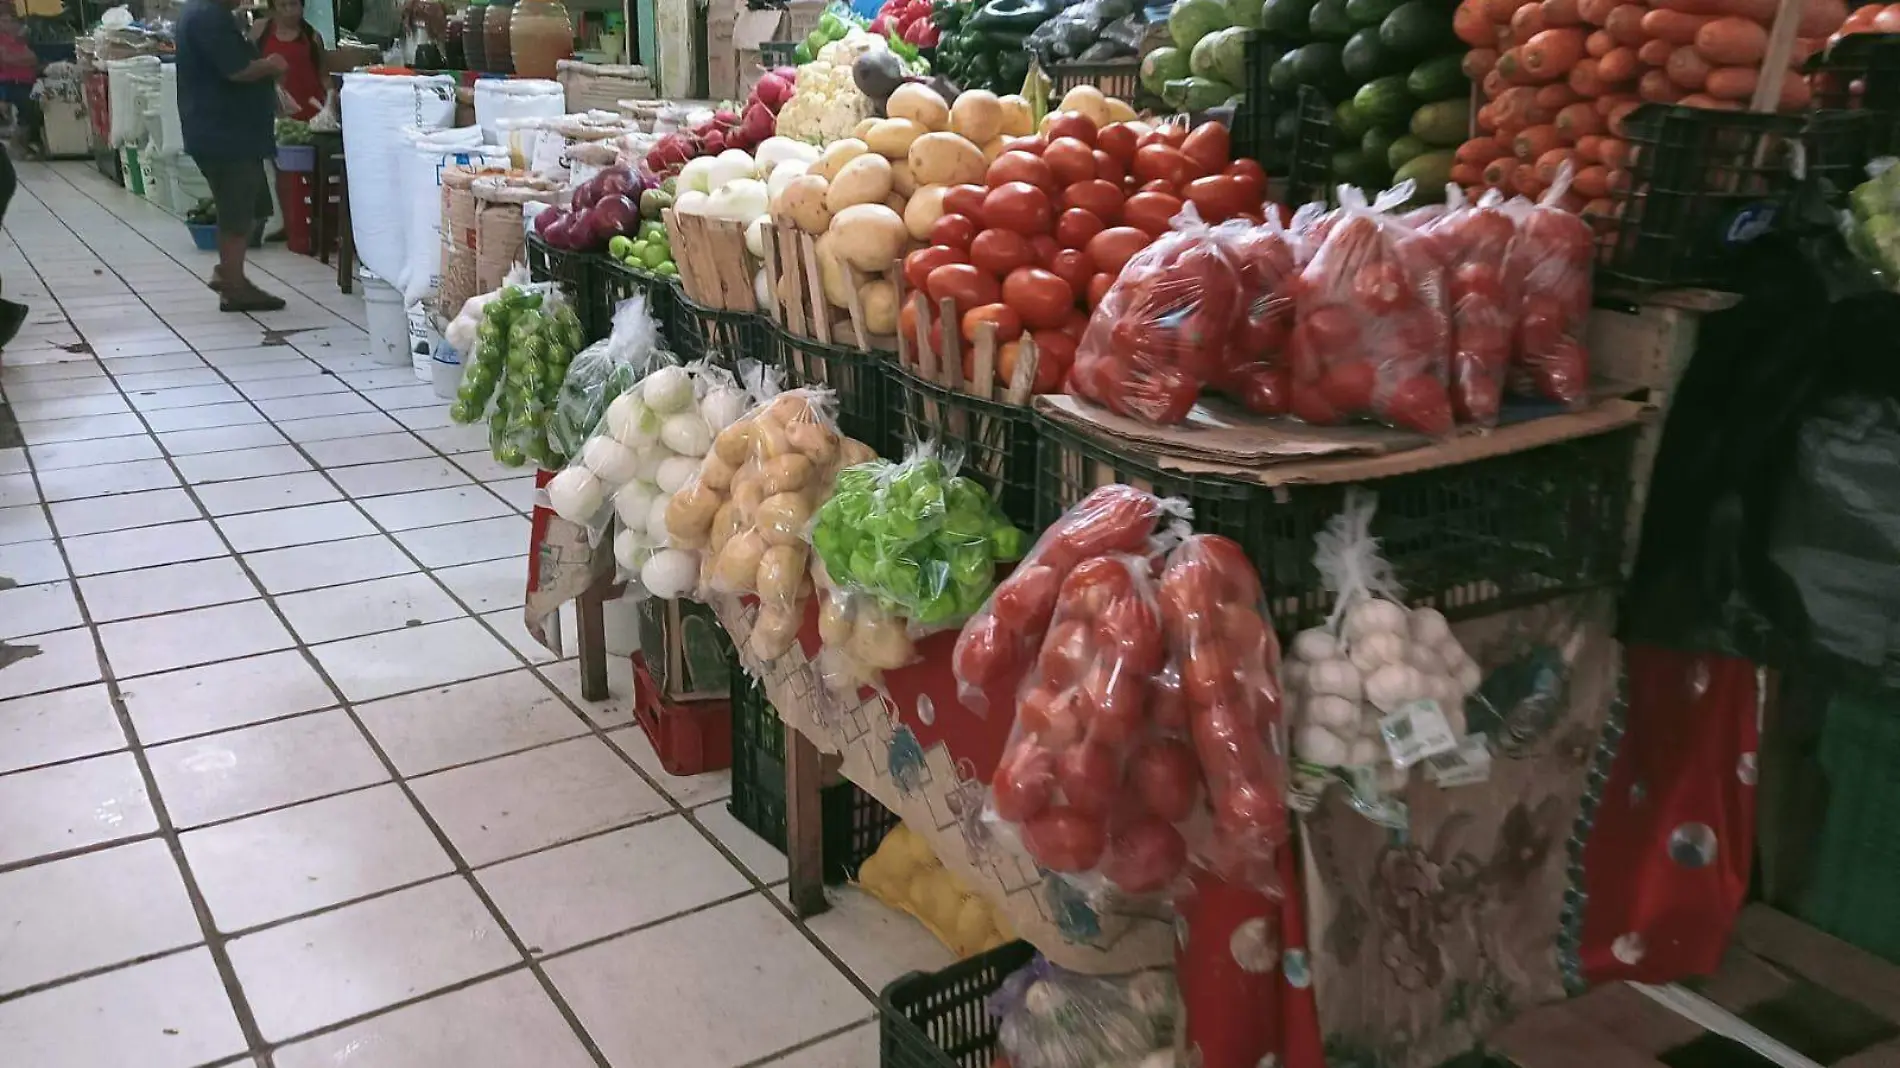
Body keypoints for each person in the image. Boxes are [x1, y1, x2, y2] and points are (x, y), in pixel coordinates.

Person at [176, 0, 289, 312]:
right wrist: (272, 64)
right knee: (236, 207)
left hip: (229, 131)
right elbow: (237, 70)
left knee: (244, 205)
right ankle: (232, 282)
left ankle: (231, 276)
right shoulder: (207, 16)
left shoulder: (211, 14)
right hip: (224, 133)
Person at [250, 0, 326, 122]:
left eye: (293, 4)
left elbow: (324, 76)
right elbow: (248, 66)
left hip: (310, 115)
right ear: (273, 9)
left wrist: (331, 101)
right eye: (283, 5)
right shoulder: (260, 30)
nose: (289, 10)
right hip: (270, 114)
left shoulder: (312, 36)